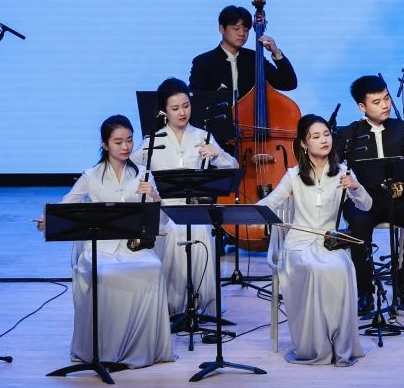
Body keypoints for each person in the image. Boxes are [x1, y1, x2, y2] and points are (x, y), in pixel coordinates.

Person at [36, 116, 173, 370]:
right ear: (105, 144)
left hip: (133, 246)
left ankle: (142, 349)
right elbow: (68, 203)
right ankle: (102, 350)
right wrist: (48, 218)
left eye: (129, 140)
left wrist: (154, 197)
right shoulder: (91, 175)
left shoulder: (143, 174)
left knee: (153, 267)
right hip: (101, 246)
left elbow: (161, 220)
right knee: (102, 271)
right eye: (118, 142)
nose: (126, 146)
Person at [260, 114, 371, 365]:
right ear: (303, 143)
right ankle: (315, 345)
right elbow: (271, 202)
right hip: (298, 245)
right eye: (316, 136)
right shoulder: (293, 175)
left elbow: (366, 206)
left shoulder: (343, 172)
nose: (324, 140)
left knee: (341, 268)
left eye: (327, 134)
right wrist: (245, 212)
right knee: (314, 269)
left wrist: (355, 187)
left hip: (329, 242)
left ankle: (338, 343)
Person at [132, 78, 238, 317]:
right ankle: (174, 306)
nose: (182, 112)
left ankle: (204, 304)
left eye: (186, 106)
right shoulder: (153, 140)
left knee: (201, 233)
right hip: (167, 209)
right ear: (164, 111)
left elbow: (232, 167)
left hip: (196, 208)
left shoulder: (203, 135)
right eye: (175, 108)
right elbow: (130, 168)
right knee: (171, 233)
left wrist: (218, 154)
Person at [338, 74, 404, 313]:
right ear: (362, 106)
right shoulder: (348, 134)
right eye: (376, 102)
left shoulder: (403, 129)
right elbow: (334, 167)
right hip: (363, 200)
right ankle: (365, 290)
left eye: (386, 98)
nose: (385, 105)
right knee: (358, 226)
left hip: (399, 197)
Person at [189, 4, 298, 97]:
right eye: (236, 29)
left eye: (246, 30)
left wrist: (276, 53)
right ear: (222, 28)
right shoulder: (203, 62)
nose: (242, 33)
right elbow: (195, 99)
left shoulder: (254, 58)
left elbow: (288, 83)